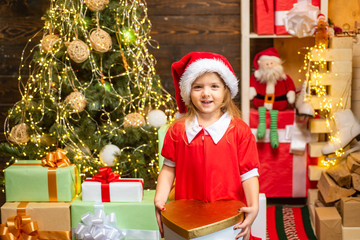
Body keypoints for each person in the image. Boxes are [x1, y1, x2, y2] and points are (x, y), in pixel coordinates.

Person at [154, 52, 260, 240]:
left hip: (229, 217)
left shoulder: (239, 130)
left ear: (225, 91)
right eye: (198, 87)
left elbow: (249, 173)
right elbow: (169, 169)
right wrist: (160, 200)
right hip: (187, 217)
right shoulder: (178, 130)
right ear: (188, 91)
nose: (206, 93)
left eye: (214, 86)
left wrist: (253, 206)